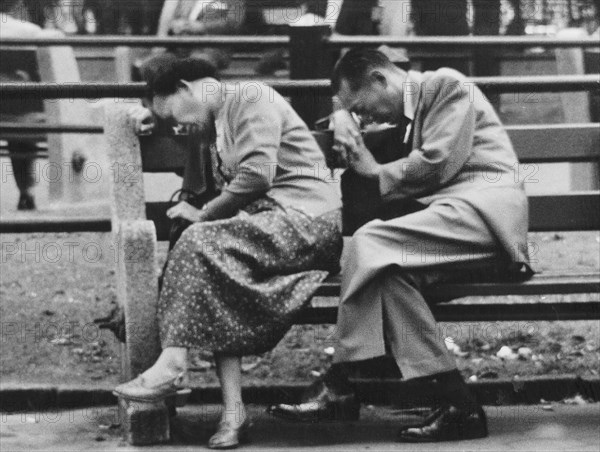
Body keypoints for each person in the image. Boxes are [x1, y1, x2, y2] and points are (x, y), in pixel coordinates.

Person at [268, 48, 532, 442]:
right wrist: (341, 114)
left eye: (363, 107)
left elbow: (437, 162)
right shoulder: (402, 112)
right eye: (358, 114)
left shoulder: (447, 85)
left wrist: (374, 172)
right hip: (449, 227)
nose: (365, 119)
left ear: (380, 79)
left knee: (369, 240)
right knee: (389, 278)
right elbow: (346, 117)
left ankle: (342, 381)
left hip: (483, 215)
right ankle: (459, 405)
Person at [113, 54, 343, 449]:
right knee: (213, 268)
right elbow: (171, 124)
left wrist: (203, 213)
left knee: (200, 240)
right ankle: (233, 413)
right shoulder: (215, 122)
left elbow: (257, 174)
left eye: (172, 115)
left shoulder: (251, 96)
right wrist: (140, 117)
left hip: (307, 221)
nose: (176, 128)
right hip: (265, 230)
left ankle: (171, 364)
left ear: (186, 88)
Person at [0, 0, 63, 209]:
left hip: (7, 114)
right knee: (21, 119)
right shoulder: (32, 32)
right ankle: (27, 192)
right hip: (26, 114)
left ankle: (26, 192)